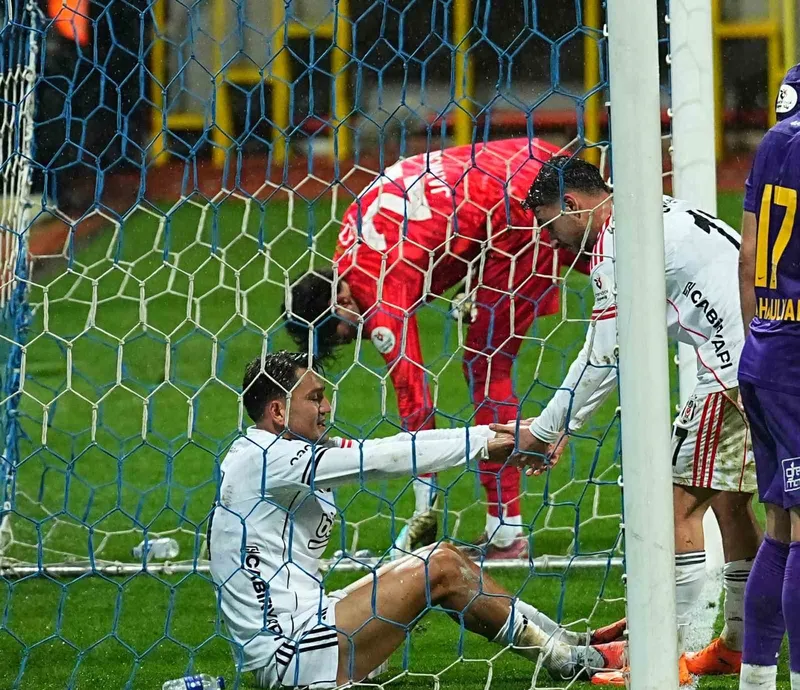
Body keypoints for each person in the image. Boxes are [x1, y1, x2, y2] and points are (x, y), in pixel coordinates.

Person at [492, 156, 762, 685]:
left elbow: (603, 356)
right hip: (765, 351)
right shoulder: (647, 207)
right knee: (730, 501)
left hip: (732, 370)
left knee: (675, 506)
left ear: (573, 205)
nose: (550, 239)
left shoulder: (618, 244)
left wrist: (544, 430)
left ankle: (659, 657)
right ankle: (737, 644)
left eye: (549, 223)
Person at [207, 351, 626, 688]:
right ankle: (568, 661)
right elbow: (380, 460)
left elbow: (399, 443)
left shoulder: (284, 453)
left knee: (445, 555)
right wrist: (488, 447)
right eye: (315, 398)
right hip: (294, 656)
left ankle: (568, 642)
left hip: (313, 628)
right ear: (278, 411)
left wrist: (499, 435)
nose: (327, 406)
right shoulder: (266, 458)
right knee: (440, 567)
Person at [284, 138, 587, 559]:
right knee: (624, 264)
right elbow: (440, 222)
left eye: (344, 332)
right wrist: (474, 279)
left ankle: (506, 533)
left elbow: (417, 403)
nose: (357, 338)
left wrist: (422, 507)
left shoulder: (378, 292)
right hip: (529, 162)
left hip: (518, 211)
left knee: (487, 365)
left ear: (341, 301)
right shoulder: (350, 244)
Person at [737, 65, 800, 690]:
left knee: (781, 526)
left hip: (763, 352)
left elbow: (749, 255)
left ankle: (756, 679)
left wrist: (760, 338)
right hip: (798, 362)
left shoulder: (773, 144)